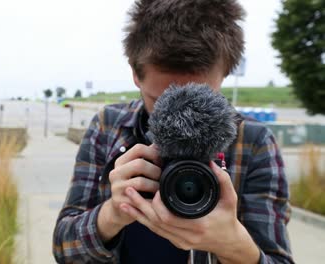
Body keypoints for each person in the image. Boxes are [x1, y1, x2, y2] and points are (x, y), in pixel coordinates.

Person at [52, 0, 293, 263]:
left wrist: (233, 243)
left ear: (225, 74)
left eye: (198, 101)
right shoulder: (108, 125)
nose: (178, 121)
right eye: (160, 101)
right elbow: (64, 250)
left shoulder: (254, 141)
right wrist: (111, 214)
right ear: (135, 74)